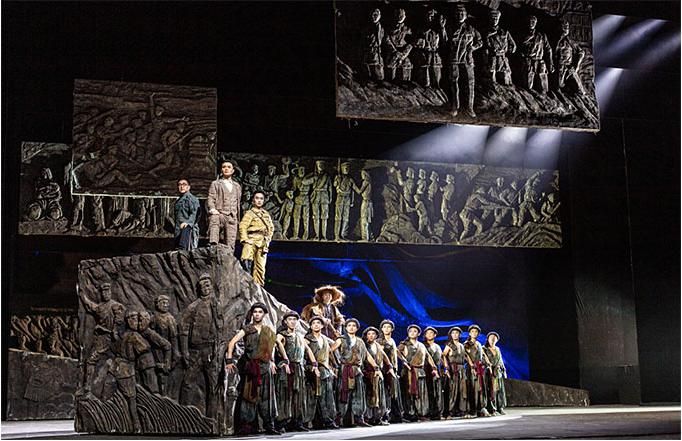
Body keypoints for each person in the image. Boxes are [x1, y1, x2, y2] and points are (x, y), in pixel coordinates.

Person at [225, 302, 280, 435]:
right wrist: (229, 360)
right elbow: (232, 342)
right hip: (251, 367)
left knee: (267, 397)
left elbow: (272, 347)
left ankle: (269, 425)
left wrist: (272, 361)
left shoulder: (267, 330)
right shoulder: (247, 329)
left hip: (265, 367)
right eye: (255, 312)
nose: (257, 314)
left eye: (260, 312)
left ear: (264, 314)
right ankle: (246, 426)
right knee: (248, 395)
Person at [179, 273, 225, 419]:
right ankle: (184, 416)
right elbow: (184, 330)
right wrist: (185, 351)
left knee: (213, 386)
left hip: (210, 351)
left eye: (208, 285)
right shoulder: (193, 307)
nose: (206, 288)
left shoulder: (216, 305)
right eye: (202, 286)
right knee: (187, 383)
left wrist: (218, 349)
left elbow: (220, 328)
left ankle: (212, 419)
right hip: (195, 351)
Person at [330, 318, 382, 427]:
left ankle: (359, 418)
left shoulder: (360, 341)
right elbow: (330, 350)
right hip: (345, 370)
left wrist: (376, 367)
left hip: (356, 370)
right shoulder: (341, 339)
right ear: (346, 327)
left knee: (358, 394)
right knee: (343, 394)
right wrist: (334, 364)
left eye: (354, 325)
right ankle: (339, 418)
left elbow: (367, 356)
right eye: (349, 325)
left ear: (357, 328)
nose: (351, 327)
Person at [79, 282, 124, 391]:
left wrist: (115, 330)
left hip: (110, 337)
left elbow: (119, 319)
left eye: (107, 292)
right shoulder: (101, 307)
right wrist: (82, 295)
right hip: (101, 337)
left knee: (93, 360)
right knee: (93, 360)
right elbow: (90, 305)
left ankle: (89, 386)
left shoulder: (115, 305)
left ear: (110, 292)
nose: (105, 294)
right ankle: (88, 386)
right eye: (103, 292)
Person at [443, 4, 482, 117]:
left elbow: (480, 41)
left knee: (470, 83)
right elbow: (445, 42)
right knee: (454, 83)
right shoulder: (450, 28)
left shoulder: (471, 29)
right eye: (458, 13)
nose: (460, 15)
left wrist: (473, 47)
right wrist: (442, 28)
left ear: (466, 15)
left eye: (462, 13)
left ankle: (470, 107)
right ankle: (455, 106)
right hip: (454, 58)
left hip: (467, 59)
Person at [303, 315, 338, 430]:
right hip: (312, 370)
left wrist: (332, 368)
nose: (316, 325)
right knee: (313, 397)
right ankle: (309, 421)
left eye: (318, 323)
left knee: (328, 397)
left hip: (325, 371)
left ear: (322, 325)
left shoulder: (324, 339)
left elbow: (329, 354)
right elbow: (304, 355)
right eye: (313, 323)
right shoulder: (307, 338)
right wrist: (310, 368)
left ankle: (328, 420)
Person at [398, 324, 439, 421]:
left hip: (420, 372)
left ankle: (421, 413)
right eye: (410, 331)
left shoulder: (421, 345)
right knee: (409, 393)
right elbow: (396, 351)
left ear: (419, 333)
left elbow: (428, 357)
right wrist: (404, 360)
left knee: (421, 393)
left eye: (415, 331)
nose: (412, 333)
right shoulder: (404, 344)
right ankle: (410, 413)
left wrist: (434, 368)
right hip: (408, 371)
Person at [238, 191, 274, 286]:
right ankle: (246, 285)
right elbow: (243, 226)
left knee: (261, 267)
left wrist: (268, 239)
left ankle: (258, 287)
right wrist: (245, 239)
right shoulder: (250, 213)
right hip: (251, 239)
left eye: (261, 198)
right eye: (257, 198)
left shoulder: (265, 214)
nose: (259, 200)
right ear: (253, 200)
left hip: (262, 242)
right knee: (246, 261)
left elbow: (271, 228)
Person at [207, 160, 242, 253]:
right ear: (221, 170)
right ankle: (213, 245)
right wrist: (212, 209)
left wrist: (237, 217)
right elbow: (211, 197)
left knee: (230, 245)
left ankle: (229, 258)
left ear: (233, 171)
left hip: (232, 216)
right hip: (220, 213)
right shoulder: (216, 184)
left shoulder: (237, 186)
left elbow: (238, 202)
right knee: (214, 219)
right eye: (224, 167)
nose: (226, 169)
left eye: (229, 167)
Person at [377, 319, 405, 423]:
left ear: (392, 329)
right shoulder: (379, 341)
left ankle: (396, 415)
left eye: (388, 327)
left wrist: (404, 360)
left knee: (394, 392)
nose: (386, 329)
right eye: (384, 327)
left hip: (394, 369)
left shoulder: (392, 340)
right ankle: (385, 415)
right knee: (386, 392)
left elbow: (396, 351)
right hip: (385, 369)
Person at [363, 326, 393, 425]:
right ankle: (368, 418)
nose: (371, 336)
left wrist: (390, 366)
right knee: (369, 395)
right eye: (369, 334)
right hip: (368, 374)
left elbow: (384, 356)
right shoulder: (364, 345)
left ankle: (378, 418)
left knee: (379, 396)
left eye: (373, 334)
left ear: (376, 335)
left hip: (378, 374)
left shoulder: (378, 346)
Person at [520, 15, 554, 94]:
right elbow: (519, 48)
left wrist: (550, 63)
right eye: (529, 22)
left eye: (533, 22)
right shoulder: (523, 34)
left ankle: (544, 96)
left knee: (543, 84)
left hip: (539, 60)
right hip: (529, 61)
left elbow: (548, 49)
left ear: (536, 23)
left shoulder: (541, 36)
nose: (531, 23)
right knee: (528, 85)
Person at [464, 324, 490, 418]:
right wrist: (471, 365)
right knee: (473, 388)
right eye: (472, 331)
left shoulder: (479, 344)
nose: (474, 333)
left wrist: (488, 363)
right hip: (472, 368)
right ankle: (472, 410)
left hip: (480, 368)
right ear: (469, 333)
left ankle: (481, 408)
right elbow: (465, 355)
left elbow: (482, 354)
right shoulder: (467, 343)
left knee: (481, 388)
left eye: (476, 332)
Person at [441, 326, 468, 418]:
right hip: (453, 369)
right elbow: (443, 356)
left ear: (459, 334)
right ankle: (450, 411)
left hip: (461, 369)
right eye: (453, 333)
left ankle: (461, 410)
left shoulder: (462, 345)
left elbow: (465, 357)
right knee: (453, 390)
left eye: (457, 333)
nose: (455, 335)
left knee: (462, 390)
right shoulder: (449, 345)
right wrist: (446, 368)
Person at [486, 10, 516, 85]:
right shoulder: (486, 32)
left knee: (506, 76)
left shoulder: (505, 32)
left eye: (496, 18)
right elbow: (485, 45)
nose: (494, 20)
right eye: (493, 18)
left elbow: (513, 45)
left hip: (502, 57)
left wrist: (508, 51)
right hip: (492, 57)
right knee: (492, 76)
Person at [556, 20, 586, 95]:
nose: (565, 29)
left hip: (569, 66)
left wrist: (577, 66)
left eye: (566, 27)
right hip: (560, 67)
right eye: (563, 27)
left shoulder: (570, 41)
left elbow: (581, 52)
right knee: (560, 86)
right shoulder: (556, 41)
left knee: (580, 90)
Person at [483, 331, 507, 416]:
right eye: (491, 338)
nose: (493, 339)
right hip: (489, 373)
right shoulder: (484, 349)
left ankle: (500, 407)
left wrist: (504, 370)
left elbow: (500, 361)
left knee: (499, 390)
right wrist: (488, 367)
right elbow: (483, 360)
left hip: (497, 373)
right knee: (491, 390)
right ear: (488, 339)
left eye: (495, 338)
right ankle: (492, 408)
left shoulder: (497, 349)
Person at [385, 8, 413, 81]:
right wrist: (394, 52)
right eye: (398, 15)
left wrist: (404, 54)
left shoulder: (408, 30)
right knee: (390, 78)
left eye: (401, 15)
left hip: (404, 56)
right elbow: (387, 40)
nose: (399, 17)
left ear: (405, 17)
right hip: (392, 55)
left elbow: (411, 43)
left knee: (405, 78)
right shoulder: (389, 29)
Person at [174, 178, 201, 250]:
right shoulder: (178, 200)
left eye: (184, 184)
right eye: (179, 185)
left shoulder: (192, 199)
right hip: (178, 230)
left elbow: (195, 213)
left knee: (187, 252)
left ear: (188, 187)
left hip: (189, 231)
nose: (182, 186)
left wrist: (188, 223)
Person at [423, 326, 443, 420]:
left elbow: (441, 358)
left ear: (435, 335)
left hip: (437, 370)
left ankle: (437, 411)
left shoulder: (437, 346)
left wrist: (443, 369)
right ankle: (428, 412)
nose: (429, 334)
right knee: (428, 391)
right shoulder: (422, 345)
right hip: (426, 370)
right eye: (427, 333)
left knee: (437, 391)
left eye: (431, 333)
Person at [311, 160, 332, 240]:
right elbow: (304, 182)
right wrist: (312, 176)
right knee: (315, 216)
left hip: (324, 196)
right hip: (316, 196)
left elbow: (330, 187)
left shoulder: (327, 176)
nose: (320, 166)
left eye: (322, 165)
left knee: (324, 217)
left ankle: (324, 235)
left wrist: (330, 197)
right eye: (319, 165)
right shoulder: (314, 176)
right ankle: (317, 235)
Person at [334, 162, 355, 241]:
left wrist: (352, 201)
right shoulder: (338, 177)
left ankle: (343, 234)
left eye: (347, 168)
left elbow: (352, 191)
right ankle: (337, 235)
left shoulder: (350, 179)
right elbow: (334, 185)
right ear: (342, 169)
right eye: (344, 168)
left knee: (346, 218)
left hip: (347, 199)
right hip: (340, 197)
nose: (346, 169)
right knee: (338, 217)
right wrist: (337, 180)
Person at [363, 8, 385, 81]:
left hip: (377, 55)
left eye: (375, 15)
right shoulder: (367, 28)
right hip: (368, 54)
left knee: (379, 76)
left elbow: (380, 42)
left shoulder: (381, 28)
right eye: (372, 15)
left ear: (379, 16)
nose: (373, 17)